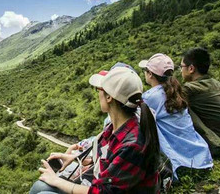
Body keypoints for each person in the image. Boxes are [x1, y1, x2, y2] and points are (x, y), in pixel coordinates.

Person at [30, 67, 160, 194]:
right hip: (102, 185)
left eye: (99, 89)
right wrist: (75, 158)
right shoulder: (117, 127)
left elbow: (102, 191)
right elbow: (107, 159)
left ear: (109, 97)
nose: (97, 94)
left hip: (101, 189)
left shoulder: (132, 145)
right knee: (39, 186)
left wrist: (57, 181)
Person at [139, 53, 213, 180]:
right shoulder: (177, 91)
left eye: (145, 70)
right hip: (200, 154)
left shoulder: (151, 97)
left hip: (179, 159)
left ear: (150, 74)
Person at [180, 48, 220, 158]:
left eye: (181, 67)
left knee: (181, 107)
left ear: (191, 68)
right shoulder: (217, 83)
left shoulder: (189, 88)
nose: (180, 70)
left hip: (216, 138)